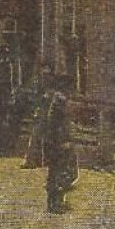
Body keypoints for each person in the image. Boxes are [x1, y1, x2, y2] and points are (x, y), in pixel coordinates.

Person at [41, 76, 75, 214]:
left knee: (57, 173)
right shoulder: (59, 102)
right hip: (58, 144)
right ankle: (55, 203)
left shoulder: (55, 100)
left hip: (54, 143)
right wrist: (64, 141)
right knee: (58, 173)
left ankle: (56, 201)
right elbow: (58, 126)